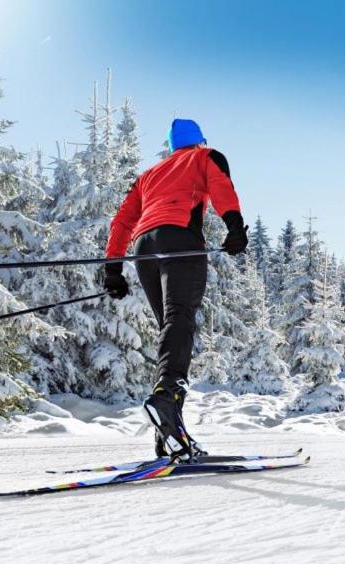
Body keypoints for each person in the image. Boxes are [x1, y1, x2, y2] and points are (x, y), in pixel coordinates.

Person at [104, 118, 248, 461]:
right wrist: (234, 227)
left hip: (144, 248)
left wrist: (113, 269)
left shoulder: (148, 175)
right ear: (199, 140)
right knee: (179, 321)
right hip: (180, 240)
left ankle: (170, 434)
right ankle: (167, 398)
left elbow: (123, 220)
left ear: (171, 145)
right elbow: (221, 188)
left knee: (172, 331)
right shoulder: (205, 156)